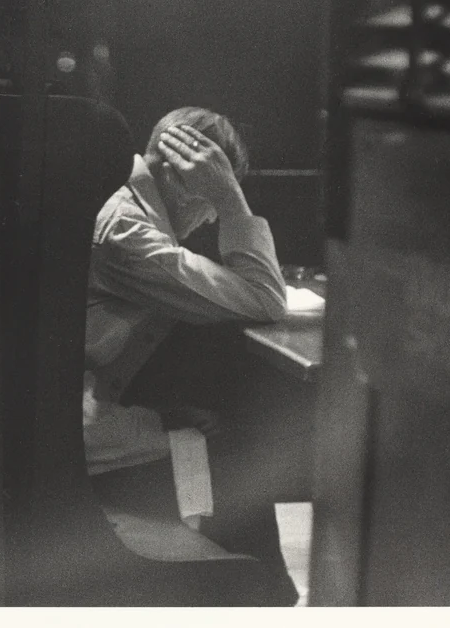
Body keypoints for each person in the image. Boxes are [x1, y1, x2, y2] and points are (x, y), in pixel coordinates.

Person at [82, 105, 299, 605]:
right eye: (211, 195)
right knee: (234, 442)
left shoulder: (129, 211)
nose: (207, 219)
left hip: (84, 404)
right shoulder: (126, 232)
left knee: (218, 426)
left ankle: (264, 588)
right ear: (185, 177)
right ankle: (261, 593)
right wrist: (232, 201)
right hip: (72, 426)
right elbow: (265, 297)